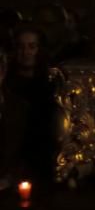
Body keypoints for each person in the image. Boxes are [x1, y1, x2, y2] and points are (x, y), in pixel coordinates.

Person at [1, 25, 59, 186]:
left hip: (43, 153)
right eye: (20, 46)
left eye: (31, 47)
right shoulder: (7, 83)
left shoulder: (52, 83)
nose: (26, 52)